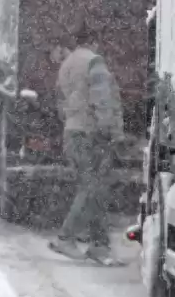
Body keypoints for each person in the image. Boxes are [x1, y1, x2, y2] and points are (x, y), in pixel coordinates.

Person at [49, 21, 125, 265]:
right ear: (94, 41)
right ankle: (65, 237)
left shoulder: (67, 64)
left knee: (95, 188)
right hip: (90, 134)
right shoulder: (94, 62)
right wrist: (111, 132)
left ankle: (99, 245)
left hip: (72, 131)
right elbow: (102, 100)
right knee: (91, 187)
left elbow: (61, 101)